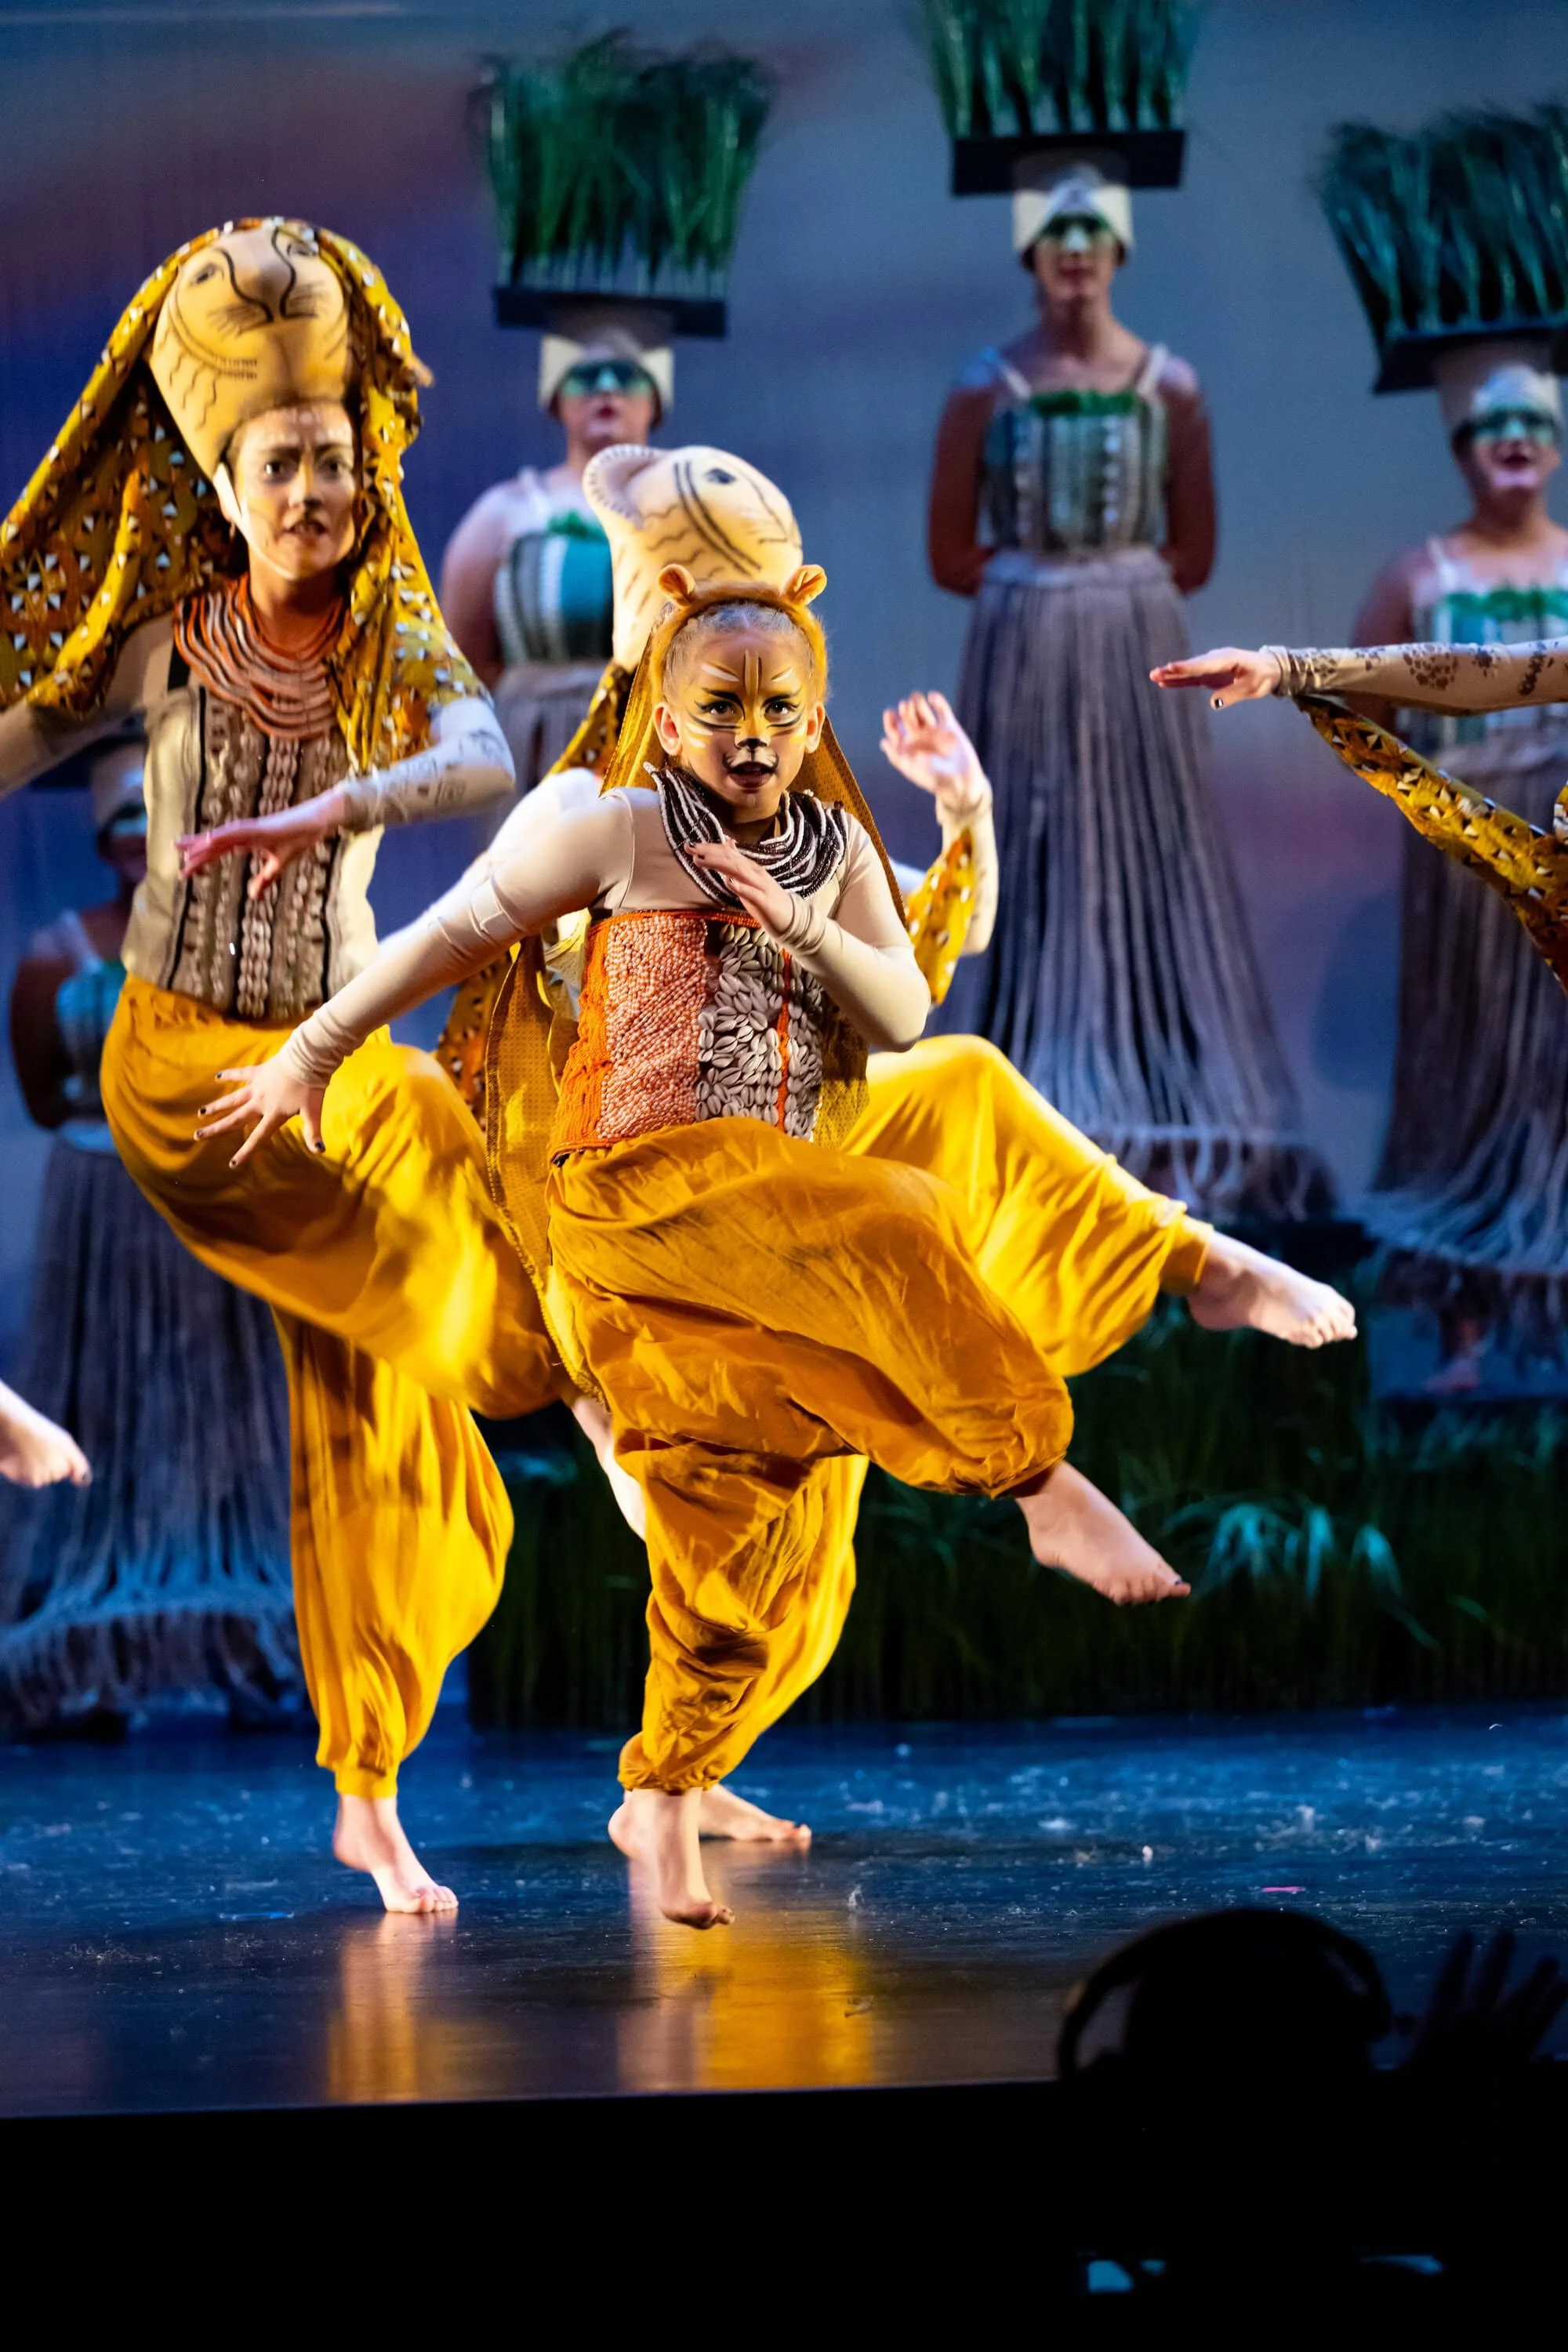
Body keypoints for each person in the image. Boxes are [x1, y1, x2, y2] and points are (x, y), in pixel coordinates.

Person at [196, 565, 1205, 1930]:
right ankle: (1039, 1482)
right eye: (718, 705)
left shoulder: (838, 853)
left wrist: (801, 916)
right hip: (631, 1211)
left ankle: (662, 1794)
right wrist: (315, 1053)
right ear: (667, 724)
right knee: (898, 1214)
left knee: (733, 1538)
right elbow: (450, 934)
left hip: (746, 1245)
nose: (749, 730)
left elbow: (906, 1014)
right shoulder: (615, 835)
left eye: (778, 708)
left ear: (810, 721)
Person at [0, 218, 570, 1914]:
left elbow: (475, 752)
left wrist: (352, 798)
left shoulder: (390, 631)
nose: (315, 491)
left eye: (333, 459)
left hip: (333, 1065)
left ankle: (369, 1785)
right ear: (224, 480)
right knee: (418, 1277)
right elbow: (19, 724)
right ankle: (589, 1393)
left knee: (379, 1388)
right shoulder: (164, 637)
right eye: (280, 467)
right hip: (185, 1076)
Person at [927, 162, 1323, 1218]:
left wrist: (1112, 594)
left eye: (1092, 237)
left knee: (1147, 845)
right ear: (1030, 256)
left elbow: (1192, 547)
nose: (1074, 255)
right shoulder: (985, 385)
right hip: (1026, 650)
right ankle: (1035, 1086)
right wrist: (1042, 597)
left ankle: (1153, 1092)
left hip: (1133, 642)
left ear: (1118, 252)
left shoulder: (1169, 387)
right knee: (1037, 841)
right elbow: (951, 550)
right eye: (1056, 238)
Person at [1, 740, 294, 1730]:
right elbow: (42, 1093)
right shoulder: (56, 955)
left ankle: (245, 1649)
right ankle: (90, 1655)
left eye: (155, 821)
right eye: (121, 823)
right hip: (97, 1201)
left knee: (220, 1406)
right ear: (100, 838)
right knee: (99, 1390)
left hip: (203, 1199)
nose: (140, 842)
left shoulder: (234, 945)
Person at [1345, 352, 1568, 1381]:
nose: (1514, 440)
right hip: (1468, 869)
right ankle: (1465, 1320)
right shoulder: (1419, 575)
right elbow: (1361, 712)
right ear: (1462, 451)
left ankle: (1546, 1308)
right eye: (1492, 427)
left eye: (1533, 422)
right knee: (1468, 1069)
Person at [438, 317, 664, 793]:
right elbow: (464, 660)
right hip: (538, 746)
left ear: (654, 399)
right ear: (557, 398)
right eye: (584, 378)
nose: (606, 389)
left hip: (655, 739)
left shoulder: (688, 506)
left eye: (626, 376)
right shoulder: (506, 513)